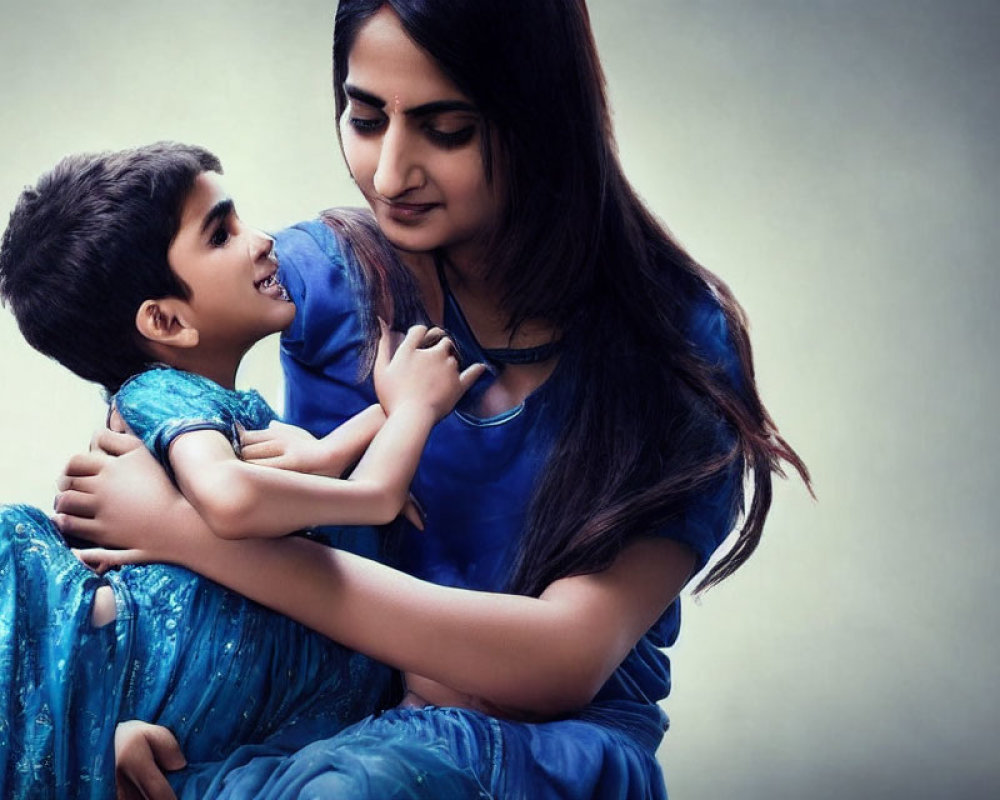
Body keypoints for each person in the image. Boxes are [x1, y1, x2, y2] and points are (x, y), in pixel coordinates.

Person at [60, 1, 811, 798]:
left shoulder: (677, 346)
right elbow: (135, 434)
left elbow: (562, 660)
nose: (389, 175)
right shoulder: (322, 275)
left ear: (539, 115)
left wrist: (201, 540)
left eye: (445, 129)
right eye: (364, 117)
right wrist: (129, 700)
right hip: (305, 713)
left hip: (538, 748)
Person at [0, 142, 480, 798]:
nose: (260, 241)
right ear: (165, 320)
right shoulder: (158, 396)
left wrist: (391, 416)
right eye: (222, 233)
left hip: (277, 707)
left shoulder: (242, 422)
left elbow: (314, 458)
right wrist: (380, 475)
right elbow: (231, 499)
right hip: (155, 682)